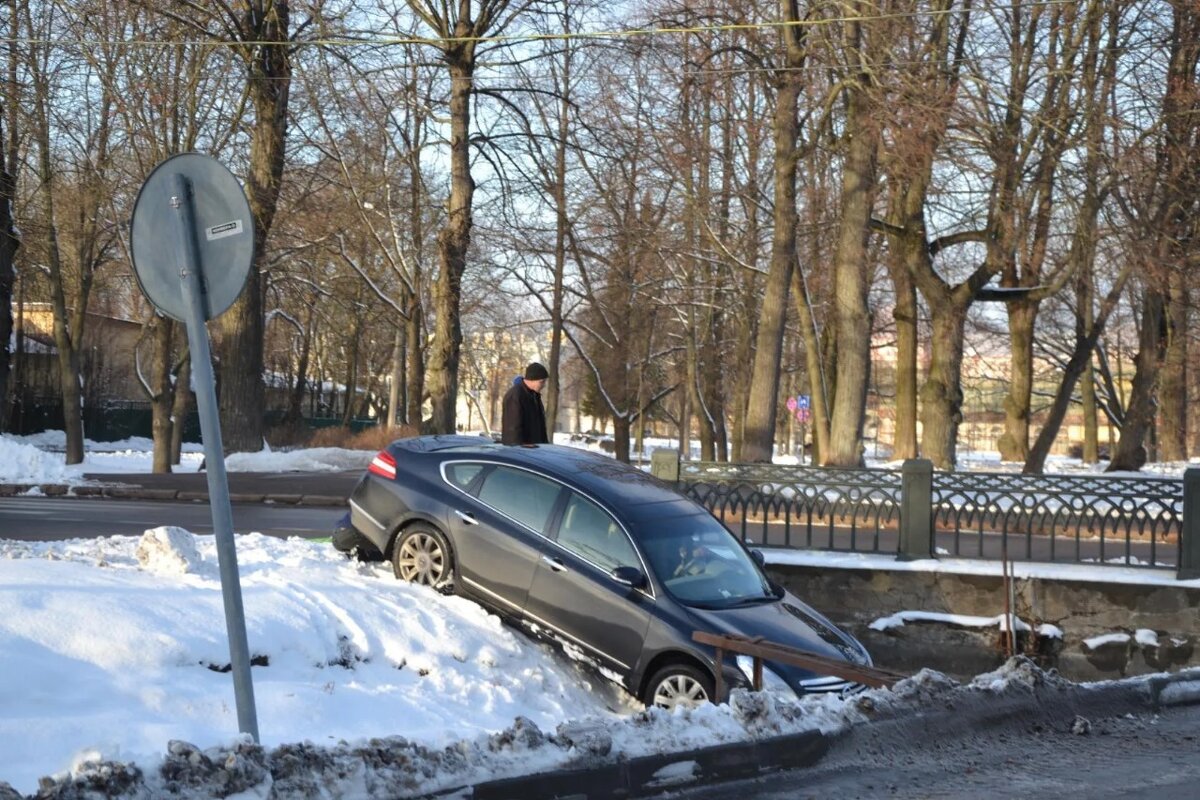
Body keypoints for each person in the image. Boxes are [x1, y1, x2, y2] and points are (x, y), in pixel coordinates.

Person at [501, 362, 550, 445]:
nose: (544, 385)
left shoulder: (534, 395)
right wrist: (519, 451)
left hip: (534, 449)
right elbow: (513, 429)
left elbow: (540, 427)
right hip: (522, 452)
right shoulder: (516, 395)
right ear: (532, 379)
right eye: (541, 382)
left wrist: (544, 446)